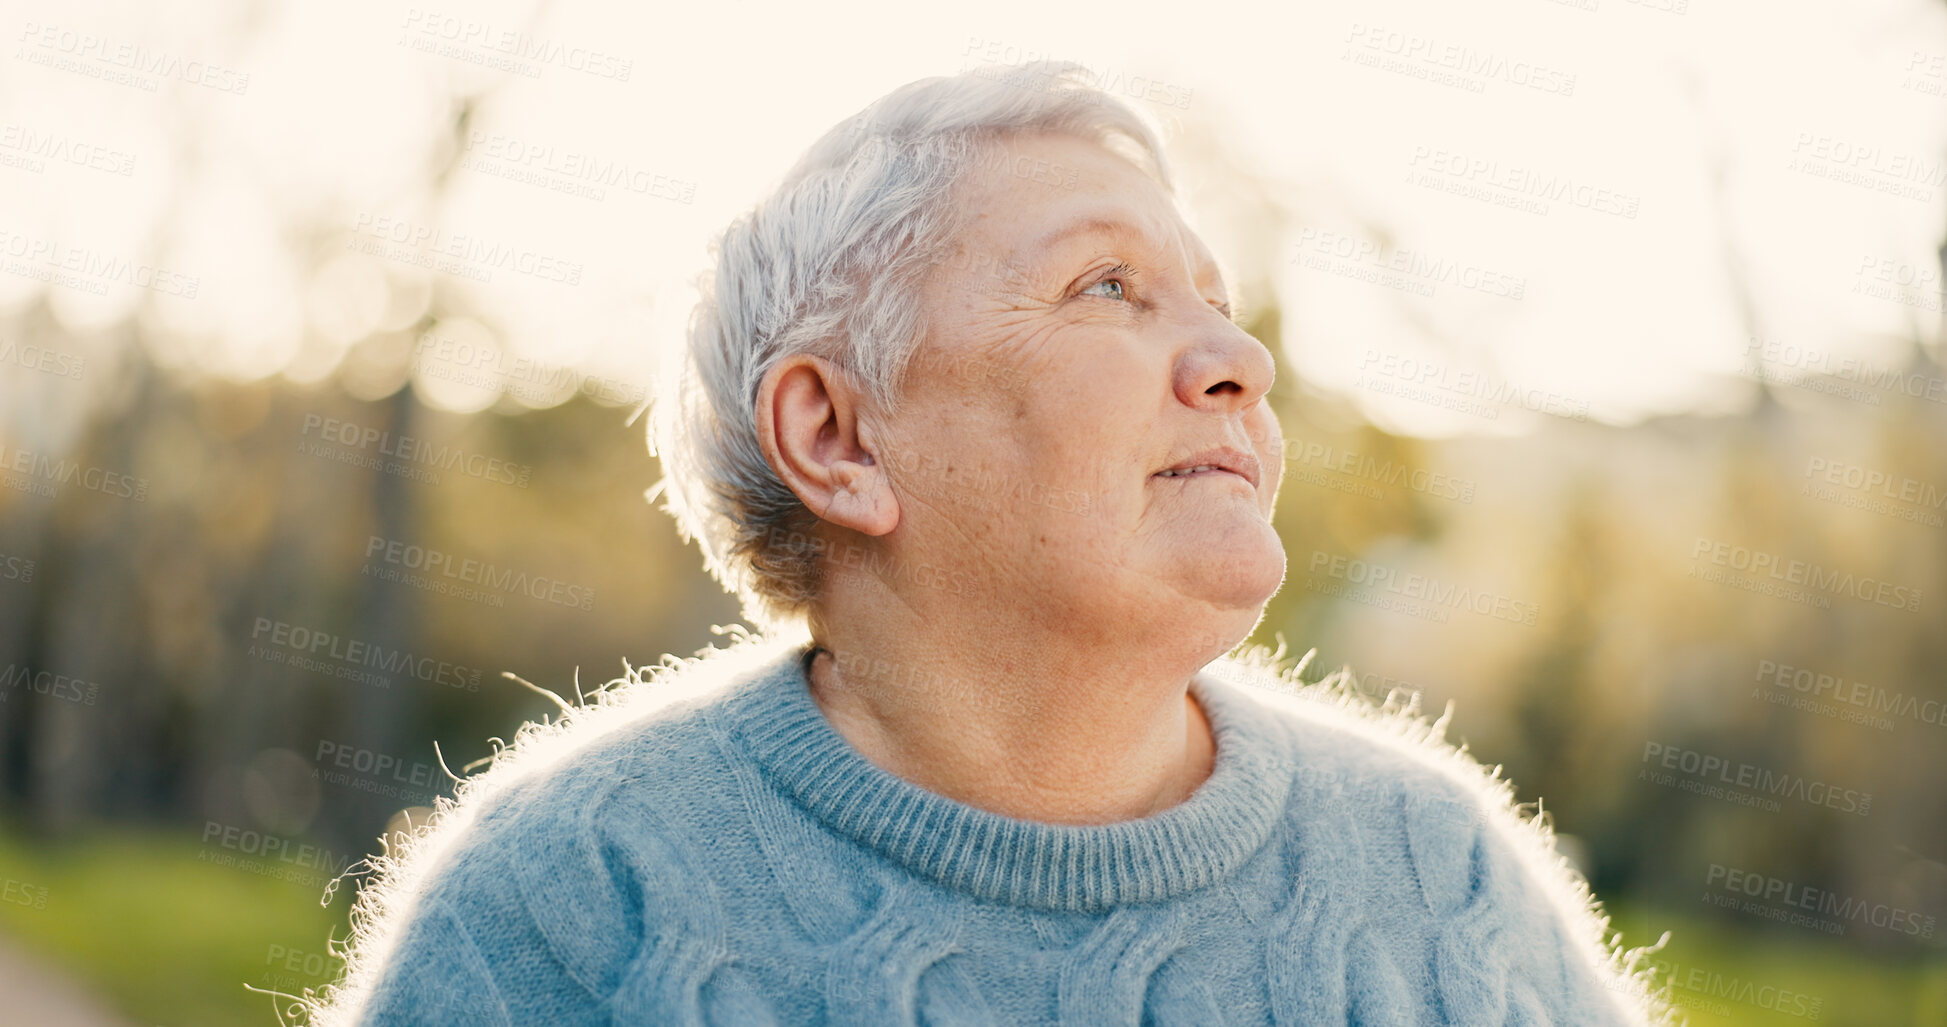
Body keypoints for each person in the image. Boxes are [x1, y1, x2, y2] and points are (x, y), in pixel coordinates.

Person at [295, 62, 1673, 1026]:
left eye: (1217, 300)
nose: (1237, 356)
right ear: (838, 438)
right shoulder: (571, 900)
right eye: (1108, 286)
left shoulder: (1440, 872)